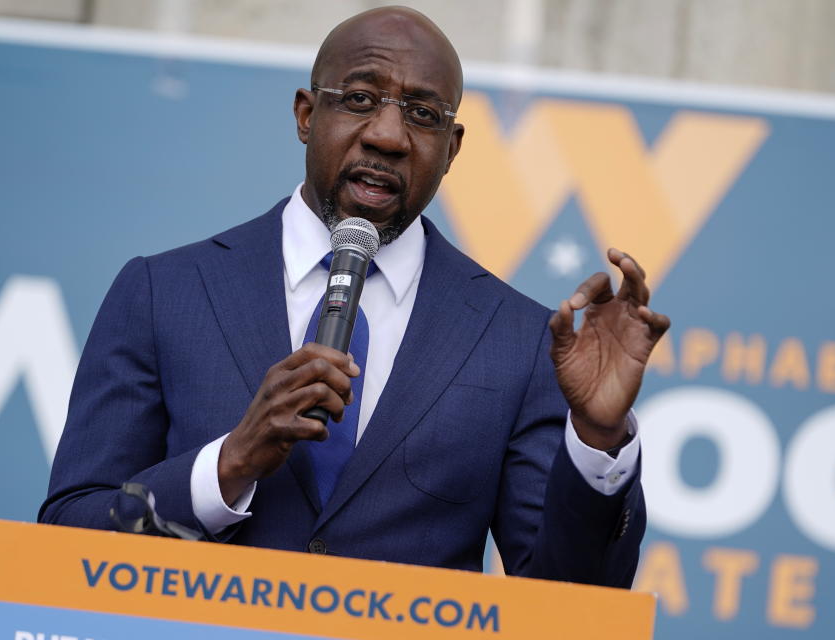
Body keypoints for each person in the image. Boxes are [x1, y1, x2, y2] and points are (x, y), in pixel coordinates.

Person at [40, 6, 669, 588]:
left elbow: (570, 604)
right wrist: (226, 467)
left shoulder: (518, 339)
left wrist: (597, 437)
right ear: (307, 115)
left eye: (423, 114)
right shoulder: (164, 293)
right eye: (361, 99)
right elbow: (67, 542)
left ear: (451, 150)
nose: (388, 136)